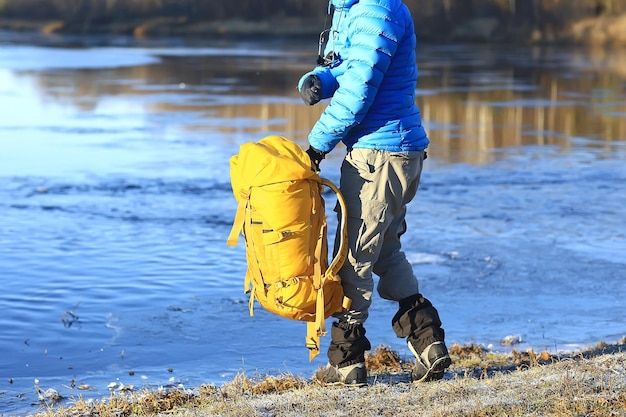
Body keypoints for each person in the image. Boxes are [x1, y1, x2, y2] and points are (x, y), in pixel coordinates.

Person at [297, 0, 451, 385]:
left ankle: (346, 360)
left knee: (353, 254)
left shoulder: (376, 9)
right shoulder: (356, 9)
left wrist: (316, 146)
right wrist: (320, 79)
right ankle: (428, 342)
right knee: (384, 250)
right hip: (393, 153)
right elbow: (350, 68)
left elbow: (361, 88)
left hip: (379, 156)